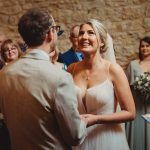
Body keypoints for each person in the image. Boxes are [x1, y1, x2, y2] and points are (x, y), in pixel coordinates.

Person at [0, 8, 87, 150]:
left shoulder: (4, 73)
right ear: (50, 34)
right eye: (55, 28)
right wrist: (83, 122)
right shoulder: (60, 77)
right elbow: (75, 136)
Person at [67, 19, 135, 150]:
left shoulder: (114, 70)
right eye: (81, 33)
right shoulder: (71, 69)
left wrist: (97, 119)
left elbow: (130, 113)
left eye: (90, 33)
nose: (84, 37)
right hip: (80, 140)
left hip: (108, 139)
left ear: (102, 41)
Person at [125, 36, 150, 150]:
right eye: (142, 46)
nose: (144, 48)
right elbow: (127, 88)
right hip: (136, 105)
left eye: (147, 46)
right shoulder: (133, 65)